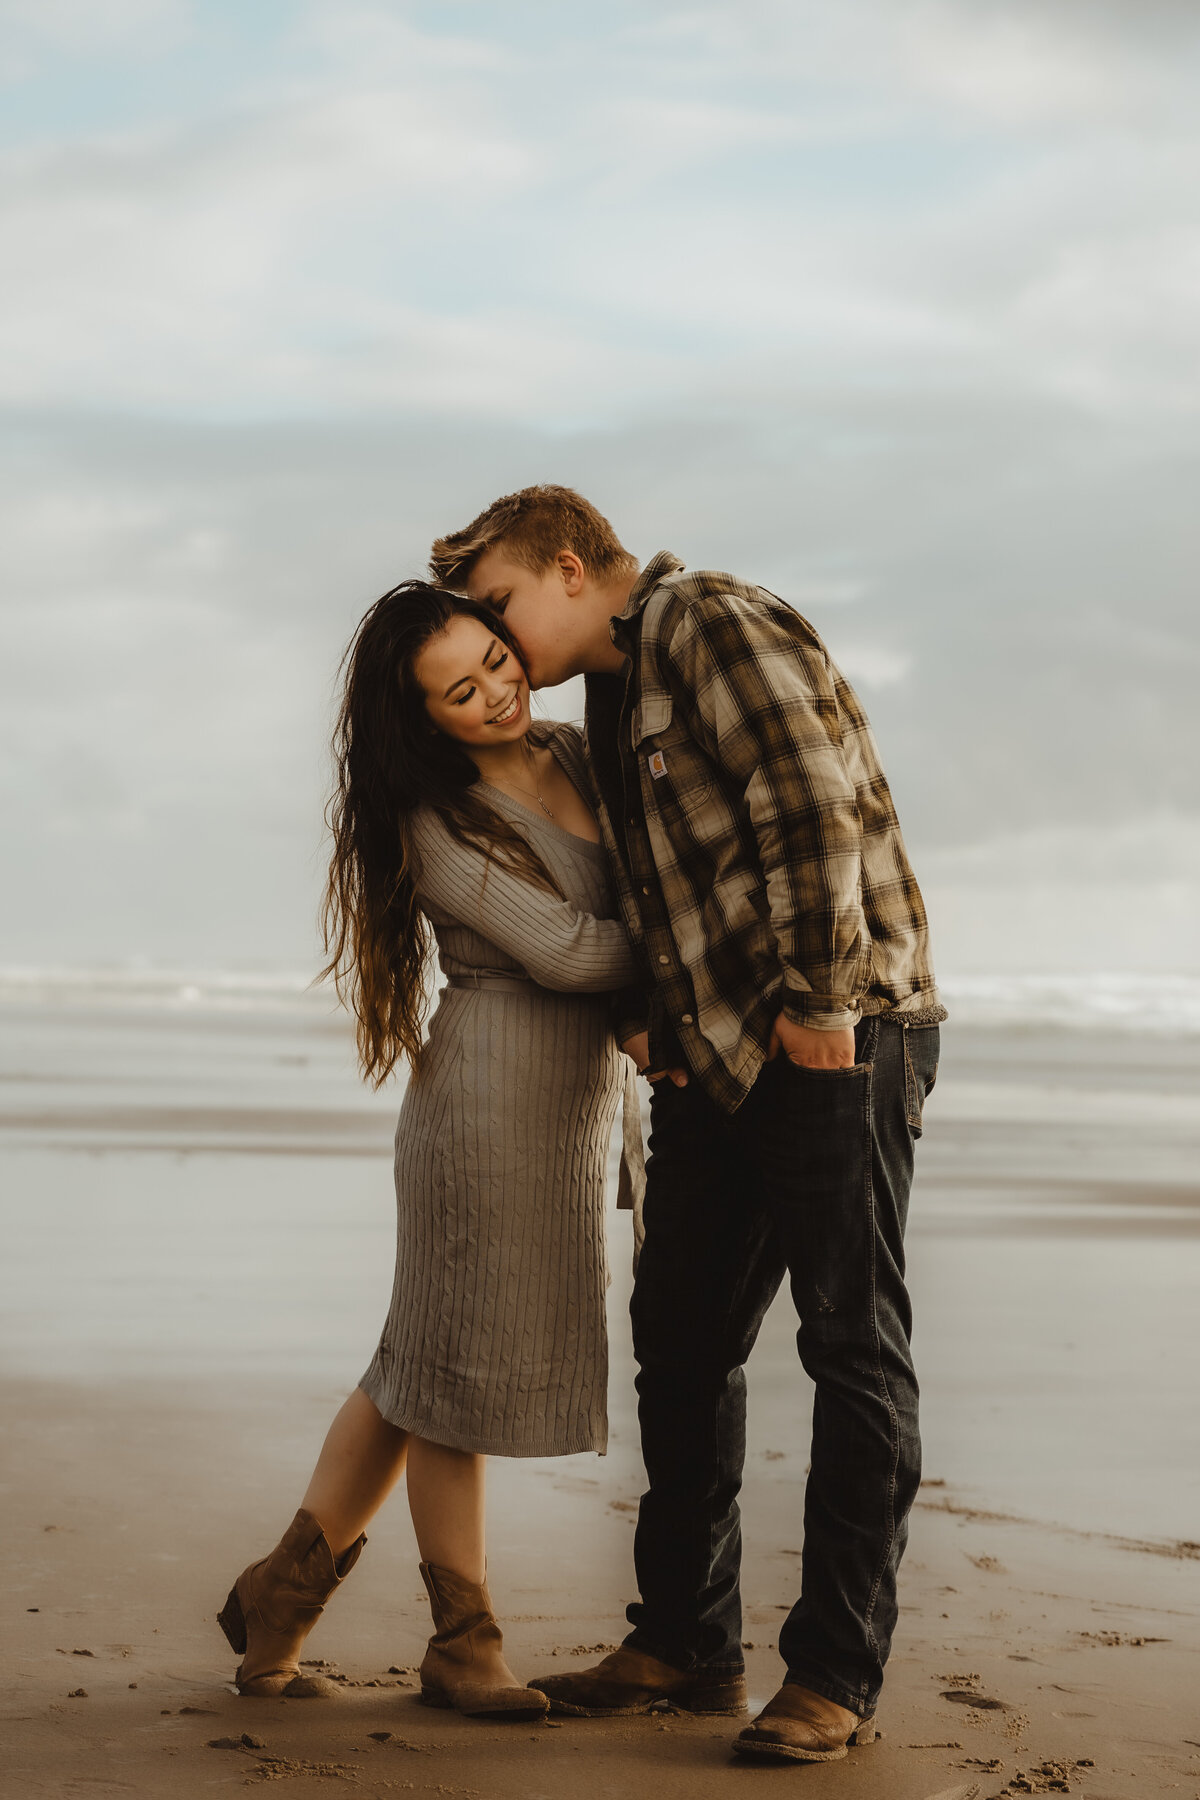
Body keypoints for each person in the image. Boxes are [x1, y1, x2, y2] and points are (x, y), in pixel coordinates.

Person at [428, 487, 946, 1763]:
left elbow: (809, 807)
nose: (500, 643)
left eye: (499, 606)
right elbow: (676, 874)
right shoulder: (614, 691)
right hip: (724, 1060)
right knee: (681, 1336)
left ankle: (832, 1678)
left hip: (841, 1030)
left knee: (850, 1348)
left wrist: (823, 1005)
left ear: (568, 564)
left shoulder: (707, 619)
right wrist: (656, 1015)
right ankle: (686, 1642)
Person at [217, 580, 641, 1721]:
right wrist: (698, 954)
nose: (499, 693)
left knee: (415, 1367)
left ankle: (280, 1595)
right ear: (425, 721)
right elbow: (566, 953)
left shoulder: (573, 745)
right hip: (486, 1106)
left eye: (497, 663)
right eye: (464, 692)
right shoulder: (434, 814)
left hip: (570, 1102)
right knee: (447, 1375)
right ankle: (465, 1640)